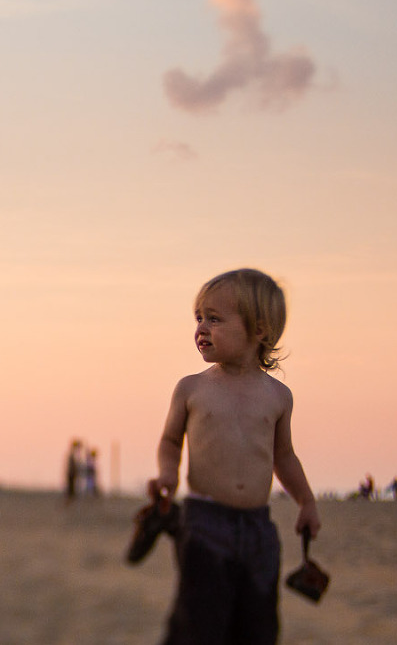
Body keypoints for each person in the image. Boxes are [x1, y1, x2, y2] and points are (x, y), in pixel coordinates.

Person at [146, 268, 321, 645]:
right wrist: (167, 475)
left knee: (257, 624)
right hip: (205, 524)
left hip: (259, 529)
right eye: (198, 318)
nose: (201, 328)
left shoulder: (277, 396)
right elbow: (171, 441)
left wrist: (306, 501)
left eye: (215, 319)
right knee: (199, 622)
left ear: (259, 331)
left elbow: (284, 457)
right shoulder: (192, 389)